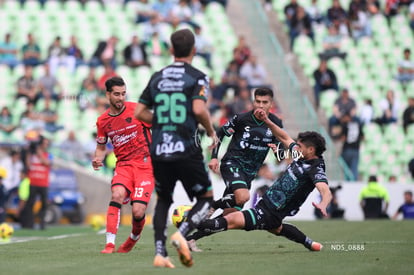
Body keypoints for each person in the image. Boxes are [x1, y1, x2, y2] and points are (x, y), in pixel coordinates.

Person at [135, 28, 218, 268]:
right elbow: (199, 109)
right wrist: (211, 132)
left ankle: (160, 253)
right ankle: (181, 234)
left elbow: (139, 112)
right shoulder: (198, 76)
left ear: (171, 50)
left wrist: (162, 121)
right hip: (185, 147)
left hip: (159, 148)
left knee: (163, 199)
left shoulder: (157, 77)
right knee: (206, 200)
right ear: (194, 50)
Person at [194, 108, 332, 252]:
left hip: (271, 213)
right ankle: (310, 244)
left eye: (300, 146)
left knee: (231, 220)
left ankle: (189, 220)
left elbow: (325, 189)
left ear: (311, 150)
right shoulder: (300, 154)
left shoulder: (315, 168)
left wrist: (323, 203)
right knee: (278, 229)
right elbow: (284, 137)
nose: (295, 147)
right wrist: (267, 121)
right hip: (267, 205)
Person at [186, 87, 283, 250]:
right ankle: (213, 205)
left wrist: (278, 151)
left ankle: (190, 238)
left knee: (229, 217)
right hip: (232, 164)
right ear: (253, 101)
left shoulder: (275, 124)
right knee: (243, 196)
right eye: (257, 101)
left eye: (264, 102)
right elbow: (220, 133)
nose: (260, 105)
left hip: (250, 174)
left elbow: (280, 153)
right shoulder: (242, 119)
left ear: (271, 104)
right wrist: (215, 157)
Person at [92, 76, 155, 254]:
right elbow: (101, 146)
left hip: (145, 166)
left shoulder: (137, 110)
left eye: (123, 94)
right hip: (124, 166)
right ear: (108, 95)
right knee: (117, 194)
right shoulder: (103, 121)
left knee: (137, 211)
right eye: (117, 94)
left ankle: (133, 238)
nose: (121, 98)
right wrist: (98, 158)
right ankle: (109, 244)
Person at [20, 136, 52, 229]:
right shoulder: (32, 155)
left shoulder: (48, 154)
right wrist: (29, 153)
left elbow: (46, 163)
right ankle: (29, 224)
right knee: (30, 203)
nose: (46, 145)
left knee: (44, 204)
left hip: (43, 183)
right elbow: (28, 165)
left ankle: (42, 223)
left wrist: (39, 153)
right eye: (44, 143)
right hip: (33, 182)